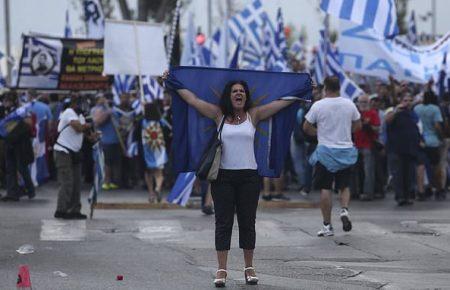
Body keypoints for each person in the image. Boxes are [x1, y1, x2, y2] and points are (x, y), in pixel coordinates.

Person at [165, 72, 299, 287]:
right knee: (223, 223)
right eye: (235, 91)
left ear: (246, 96)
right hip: (223, 177)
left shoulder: (253, 114)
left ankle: (249, 268)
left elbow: (280, 103)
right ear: (229, 96)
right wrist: (172, 81)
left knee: (248, 222)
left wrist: (301, 87)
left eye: (242, 91)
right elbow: (193, 100)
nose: (239, 94)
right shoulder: (218, 115)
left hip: (249, 176)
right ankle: (221, 270)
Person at [303, 76, 361, 237]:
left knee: (325, 188)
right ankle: (344, 210)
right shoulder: (349, 104)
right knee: (344, 185)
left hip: (325, 152)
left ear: (325, 88)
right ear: (339, 87)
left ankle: (327, 225)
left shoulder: (318, 105)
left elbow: (306, 127)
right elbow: (358, 125)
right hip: (346, 151)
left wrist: (319, 133)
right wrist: (346, 133)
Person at [53, 95, 97, 219]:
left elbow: (87, 135)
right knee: (67, 182)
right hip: (63, 151)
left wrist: (94, 136)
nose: (83, 106)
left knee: (77, 182)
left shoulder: (81, 117)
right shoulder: (69, 112)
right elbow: (78, 128)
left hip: (75, 152)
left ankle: (74, 210)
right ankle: (62, 210)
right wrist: (88, 125)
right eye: (80, 103)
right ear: (73, 103)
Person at [385, 93, 421, 206]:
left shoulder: (413, 114)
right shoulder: (393, 111)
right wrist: (396, 110)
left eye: (410, 100)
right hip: (396, 149)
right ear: (401, 101)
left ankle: (408, 196)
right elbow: (387, 120)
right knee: (398, 174)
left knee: (409, 174)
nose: (408, 102)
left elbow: (418, 127)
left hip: (410, 149)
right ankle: (400, 196)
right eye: (405, 100)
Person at [1, 93, 35, 202]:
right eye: (5, 100)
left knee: (21, 167)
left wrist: (14, 123)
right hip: (8, 142)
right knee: (10, 167)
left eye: (8, 100)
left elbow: (29, 123)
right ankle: (12, 193)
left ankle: (30, 190)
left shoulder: (21, 111)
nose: (6, 103)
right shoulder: (4, 111)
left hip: (20, 142)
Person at [414, 91, 446, 200]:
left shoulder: (417, 108)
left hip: (420, 141)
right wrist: (441, 137)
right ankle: (439, 189)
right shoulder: (435, 109)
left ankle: (421, 190)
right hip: (433, 141)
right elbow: (437, 125)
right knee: (436, 167)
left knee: (421, 167)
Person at [138, 102, 168, 203]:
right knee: (159, 172)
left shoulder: (142, 122)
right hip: (159, 150)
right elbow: (168, 133)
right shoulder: (161, 121)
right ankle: (158, 188)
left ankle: (151, 193)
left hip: (146, 150)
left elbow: (136, 135)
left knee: (148, 172)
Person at [91, 93, 120, 190]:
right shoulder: (96, 109)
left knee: (113, 162)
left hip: (115, 140)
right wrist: (107, 112)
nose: (104, 100)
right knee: (105, 162)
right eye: (101, 98)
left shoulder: (113, 109)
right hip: (105, 140)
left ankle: (111, 180)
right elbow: (97, 121)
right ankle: (105, 181)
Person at [354, 95, 380, 201]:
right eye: (361, 102)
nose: (363, 104)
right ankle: (354, 191)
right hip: (355, 145)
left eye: (365, 102)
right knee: (354, 170)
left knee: (368, 170)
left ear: (369, 102)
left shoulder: (373, 113)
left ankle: (368, 193)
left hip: (368, 145)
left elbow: (377, 129)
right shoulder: (355, 113)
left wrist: (368, 126)